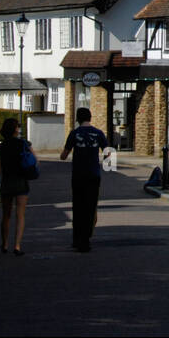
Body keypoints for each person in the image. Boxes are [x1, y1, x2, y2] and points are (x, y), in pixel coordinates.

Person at [60, 107, 108, 252]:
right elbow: (108, 153)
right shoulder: (99, 133)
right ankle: (87, 238)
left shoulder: (74, 133)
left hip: (79, 175)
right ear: (90, 117)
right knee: (91, 206)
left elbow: (64, 155)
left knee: (78, 206)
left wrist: (64, 154)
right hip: (94, 174)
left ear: (77, 119)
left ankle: (77, 239)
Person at [0, 117, 31, 255]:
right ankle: (17, 246)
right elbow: (34, 160)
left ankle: (5, 244)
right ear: (15, 130)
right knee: (20, 215)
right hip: (21, 182)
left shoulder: (0, 147)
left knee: (6, 215)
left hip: (7, 183)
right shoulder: (24, 144)